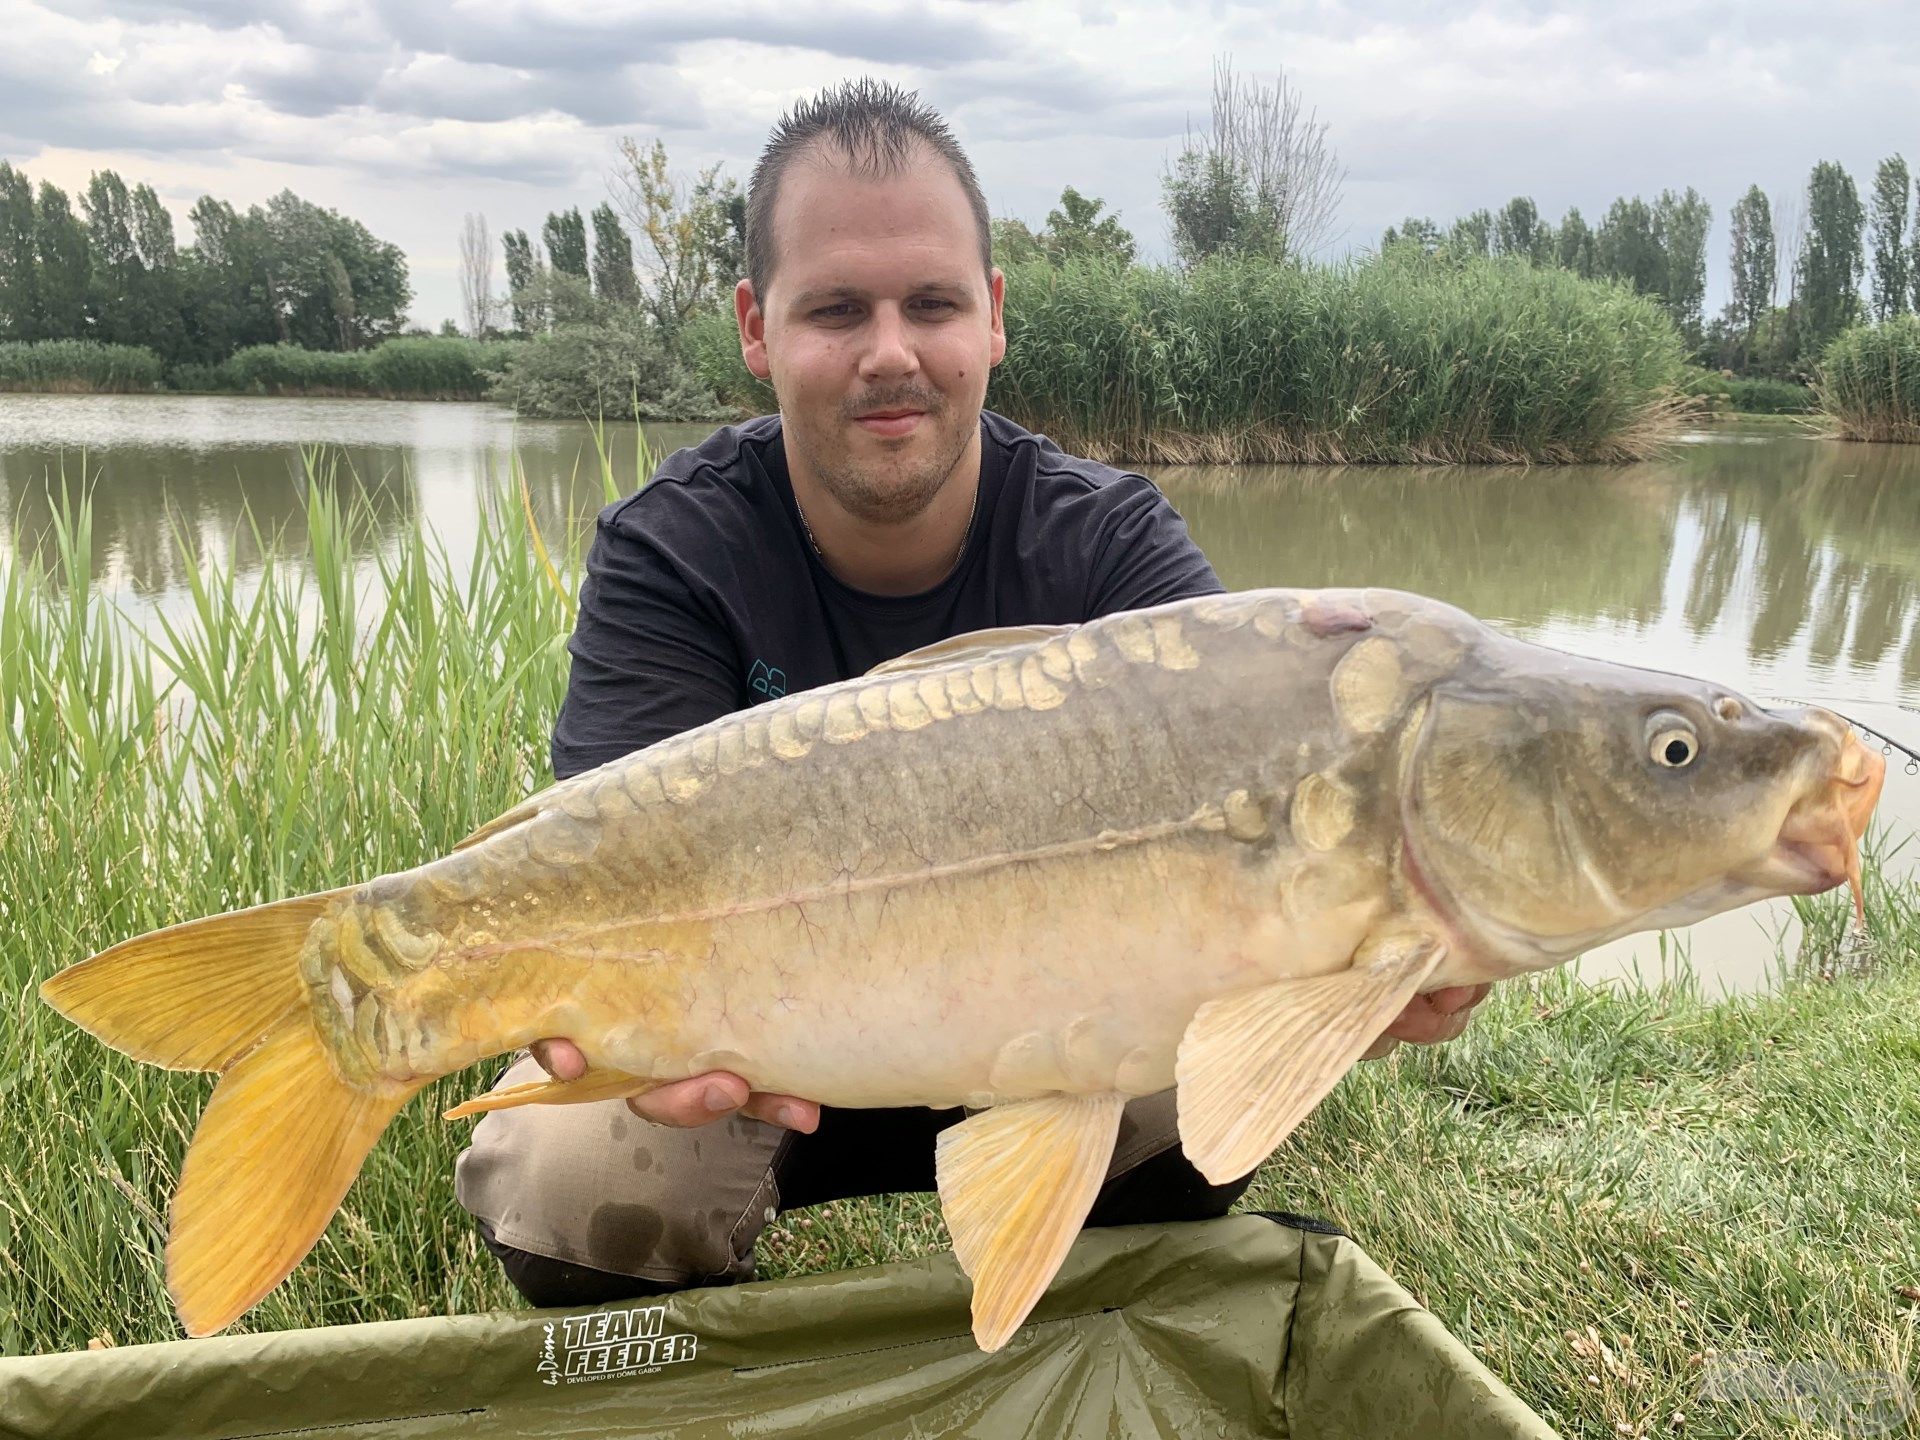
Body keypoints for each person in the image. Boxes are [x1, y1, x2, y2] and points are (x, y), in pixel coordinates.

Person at [455, 78, 1489, 1310]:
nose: (890, 354)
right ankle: (695, 1380)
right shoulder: (671, 549)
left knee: (1212, 1088)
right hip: (768, 1056)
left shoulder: (1115, 549)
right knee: (564, 1178)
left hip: (1059, 1037)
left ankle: (1081, 1321)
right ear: (755, 325)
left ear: (993, 318)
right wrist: (607, 1030)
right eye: (837, 308)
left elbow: (1264, 816)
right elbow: (604, 881)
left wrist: (1361, 961)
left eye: (932, 304)